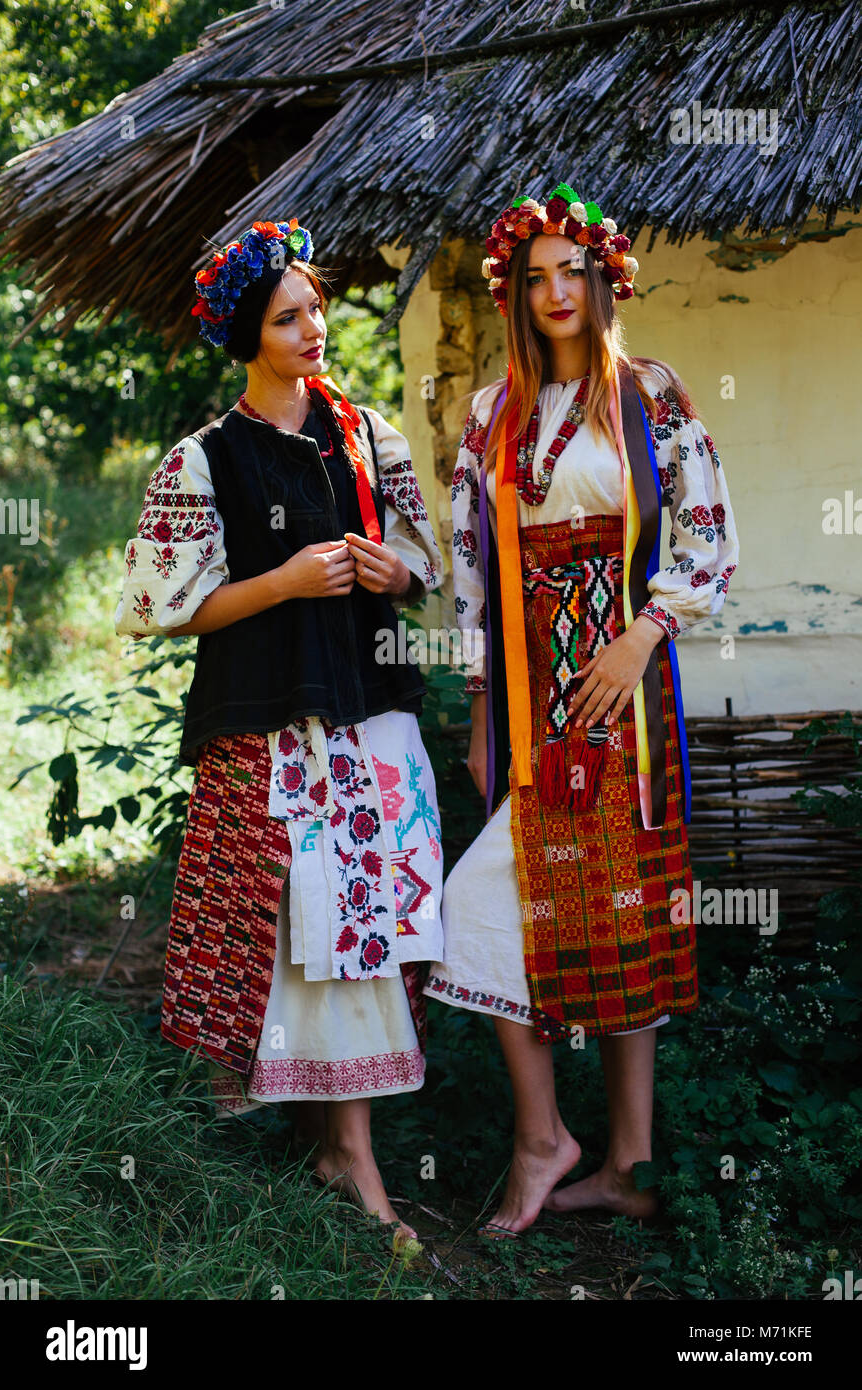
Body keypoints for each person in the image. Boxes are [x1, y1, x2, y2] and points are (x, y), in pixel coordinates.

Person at [114, 218, 444, 1248]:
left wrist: (396, 571)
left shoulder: (366, 435)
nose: (314, 327)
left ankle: (341, 1147)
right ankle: (342, 1152)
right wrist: (286, 580)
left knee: (370, 926)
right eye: (288, 314)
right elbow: (168, 604)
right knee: (303, 923)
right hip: (270, 719)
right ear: (247, 335)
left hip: (371, 714)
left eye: (317, 308)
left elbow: (422, 555)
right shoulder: (206, 459)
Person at [424, 184, 739, 1236]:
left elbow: (707, 538)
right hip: (530, 688)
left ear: (604, 279)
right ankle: (539, 1137)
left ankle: (631, 1164)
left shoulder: (649, 395)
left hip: (624, 688)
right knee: (479, 902)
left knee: (622, 906)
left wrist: (643, 631)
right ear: (514, 291)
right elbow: (472, 569)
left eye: (573, 270)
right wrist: (479, 707)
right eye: (535, 274)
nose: (555, 290)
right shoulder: (488, 416)